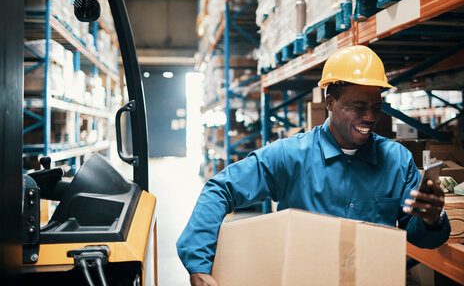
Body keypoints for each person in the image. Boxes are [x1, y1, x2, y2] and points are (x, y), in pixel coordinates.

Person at [177, 45, 450, 286]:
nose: (370, 116)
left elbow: (420, 237)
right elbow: (221, 188)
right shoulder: (290, 155)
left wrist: (431, 219)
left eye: (376, 107)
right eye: (358, 106)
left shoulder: (397, 160)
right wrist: (199, 265)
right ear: (330, 103)